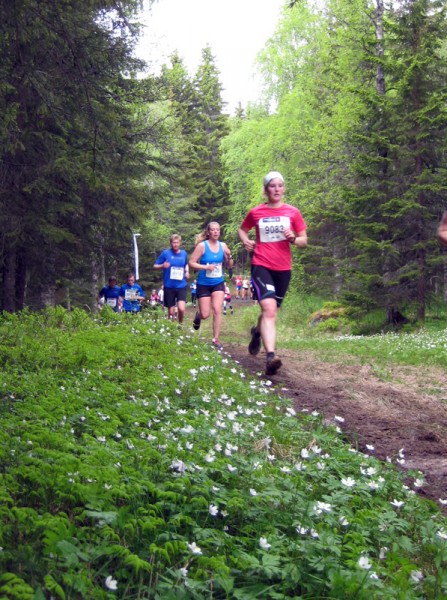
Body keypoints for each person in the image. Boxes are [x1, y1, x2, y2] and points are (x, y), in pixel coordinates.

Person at [238, 171, 307, 375]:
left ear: (284, 188)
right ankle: (270, 356)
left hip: (283, 269)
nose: (276, 189)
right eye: (272, 186)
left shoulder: (293, 212)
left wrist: (293, 238)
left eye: (280, 185)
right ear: (266, 189)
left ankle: (257, 333)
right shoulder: (256, 212)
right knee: (269, 310)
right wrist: (246, 240)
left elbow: (304, 241)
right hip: (261, 265)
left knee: (270, 312)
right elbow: (242, 229)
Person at [188, 222, 233, 349]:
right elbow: (192, 262)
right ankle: (199, 315)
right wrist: (205, 267)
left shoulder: (223, 245)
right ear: (208, 232)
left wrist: (229, 256)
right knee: (205, 314)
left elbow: (230, 265)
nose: (215, 232)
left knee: (218, 309)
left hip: (218, 282)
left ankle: (216, 339)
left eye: (217, 230)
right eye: (213, 230)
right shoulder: (202, 246)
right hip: (203, 283)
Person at [153, 234, 189, 324]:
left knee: (181, 308)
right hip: (169, 285)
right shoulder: (166, 253)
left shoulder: (184, 253)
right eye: (173, 243)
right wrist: (162, 265)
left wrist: (187, 272)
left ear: (180, 243)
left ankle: (180, 323)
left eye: (177, 242)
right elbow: (155, 265)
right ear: (171, 243)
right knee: (171, 312)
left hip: (181, 285)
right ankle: (171, 327)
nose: (175, 244)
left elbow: (186, 264)